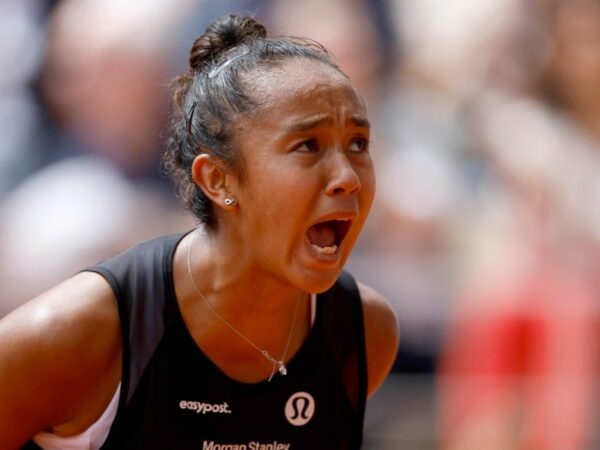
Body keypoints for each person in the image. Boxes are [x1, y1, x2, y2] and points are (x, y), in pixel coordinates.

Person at [0, 14, 399, 450]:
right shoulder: (76, 334)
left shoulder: (364, 332)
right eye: (307, 145)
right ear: (218, 180)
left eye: (359, 144)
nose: (349, 177)